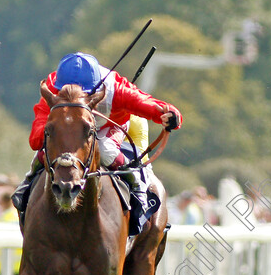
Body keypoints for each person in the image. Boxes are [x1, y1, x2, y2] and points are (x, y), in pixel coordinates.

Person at [11, 52, 182, 234]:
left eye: (82, 93)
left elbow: (148, 103)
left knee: (105, 150)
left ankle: (138, 188)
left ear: (95, 88)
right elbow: (36, 137)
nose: (74, 97)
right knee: (51, 147)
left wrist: (170, 115)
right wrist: (49, 137)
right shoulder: (52, 88)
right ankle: (28, 182)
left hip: (109, 125)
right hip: (70, 128)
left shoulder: (117, 89)